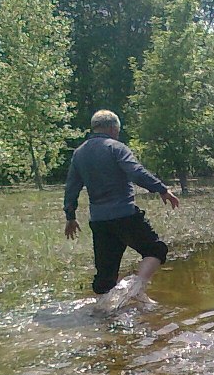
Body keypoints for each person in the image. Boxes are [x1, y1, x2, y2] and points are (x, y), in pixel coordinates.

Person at [63, 109, 179, 306]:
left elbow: (71, 187)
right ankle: (136, 288)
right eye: (117, 129)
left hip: (99, 221)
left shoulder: (79, 153)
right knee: (156, 250)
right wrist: (161, 189)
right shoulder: (116, 147)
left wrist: (70, 216)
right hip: (125, 215)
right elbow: (136, 172)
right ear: (112, 128)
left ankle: (104, 320)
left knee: (105, 278)